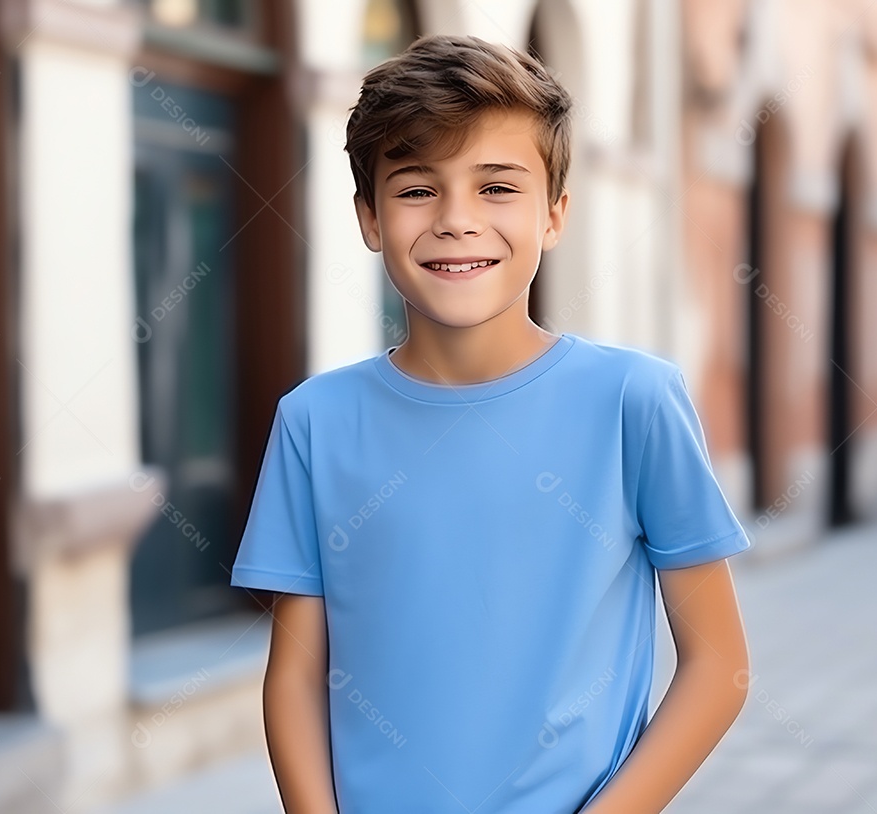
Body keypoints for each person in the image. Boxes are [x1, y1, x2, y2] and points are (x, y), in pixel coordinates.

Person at [230, 33, 753, 814]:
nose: (456, 221)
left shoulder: (632, 401)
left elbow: (720, 666)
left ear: (554, 215)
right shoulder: (315, 422)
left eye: (497, 187)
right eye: (415, 190)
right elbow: (298, 674)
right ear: (369, 218)